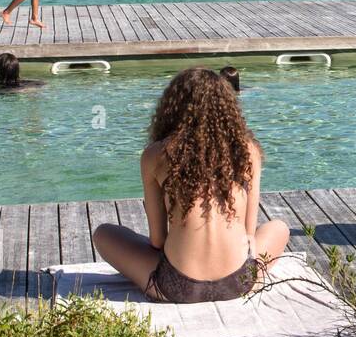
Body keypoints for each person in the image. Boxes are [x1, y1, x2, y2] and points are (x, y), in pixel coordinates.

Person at [93, 67, 289, 303]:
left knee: (104, 234)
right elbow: (250, 236)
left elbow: (157, 241)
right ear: (227, 108)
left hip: (177, 287)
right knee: (280, 228)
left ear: (172, 107)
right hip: (240, 282)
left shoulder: (155, 155)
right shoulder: (248, 151)